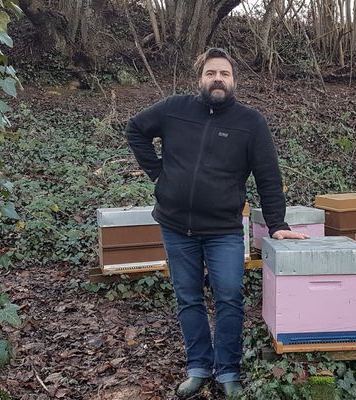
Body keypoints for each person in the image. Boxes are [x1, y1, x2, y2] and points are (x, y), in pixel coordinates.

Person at [125, 47, 307, 398]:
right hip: (176, 227)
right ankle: (197, 367)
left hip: (223, 229)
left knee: (229, 298)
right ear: (201, 79)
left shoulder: (251, 123)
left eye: (224, 73)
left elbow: (268, 176)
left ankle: (227, 373)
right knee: (188, 298)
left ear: (234, 80)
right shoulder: (174, 109)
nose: (218, 79)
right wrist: (159, 174)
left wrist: (277, 223)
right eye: (211, 73)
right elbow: (135, 129)